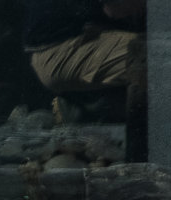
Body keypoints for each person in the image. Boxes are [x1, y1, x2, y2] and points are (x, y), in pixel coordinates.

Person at [23, 0, 147, 161]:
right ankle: (139, 161)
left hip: (71, 41)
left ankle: (83, 107)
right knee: (157, 56)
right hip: (62, 50)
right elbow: (117, 8)